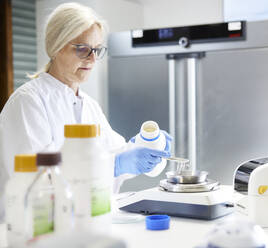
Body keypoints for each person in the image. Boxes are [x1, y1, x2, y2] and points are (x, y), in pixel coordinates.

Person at [0, 3, 171, 222]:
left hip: (81, 227)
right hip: (34, 231)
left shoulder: (88, 105)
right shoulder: (28, 102)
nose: (92, 59)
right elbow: (39, 181)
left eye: (97, 49)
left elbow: (115, 156)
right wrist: (116, 164)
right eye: (82, 49)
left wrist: (146, 147)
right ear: (55, 47)